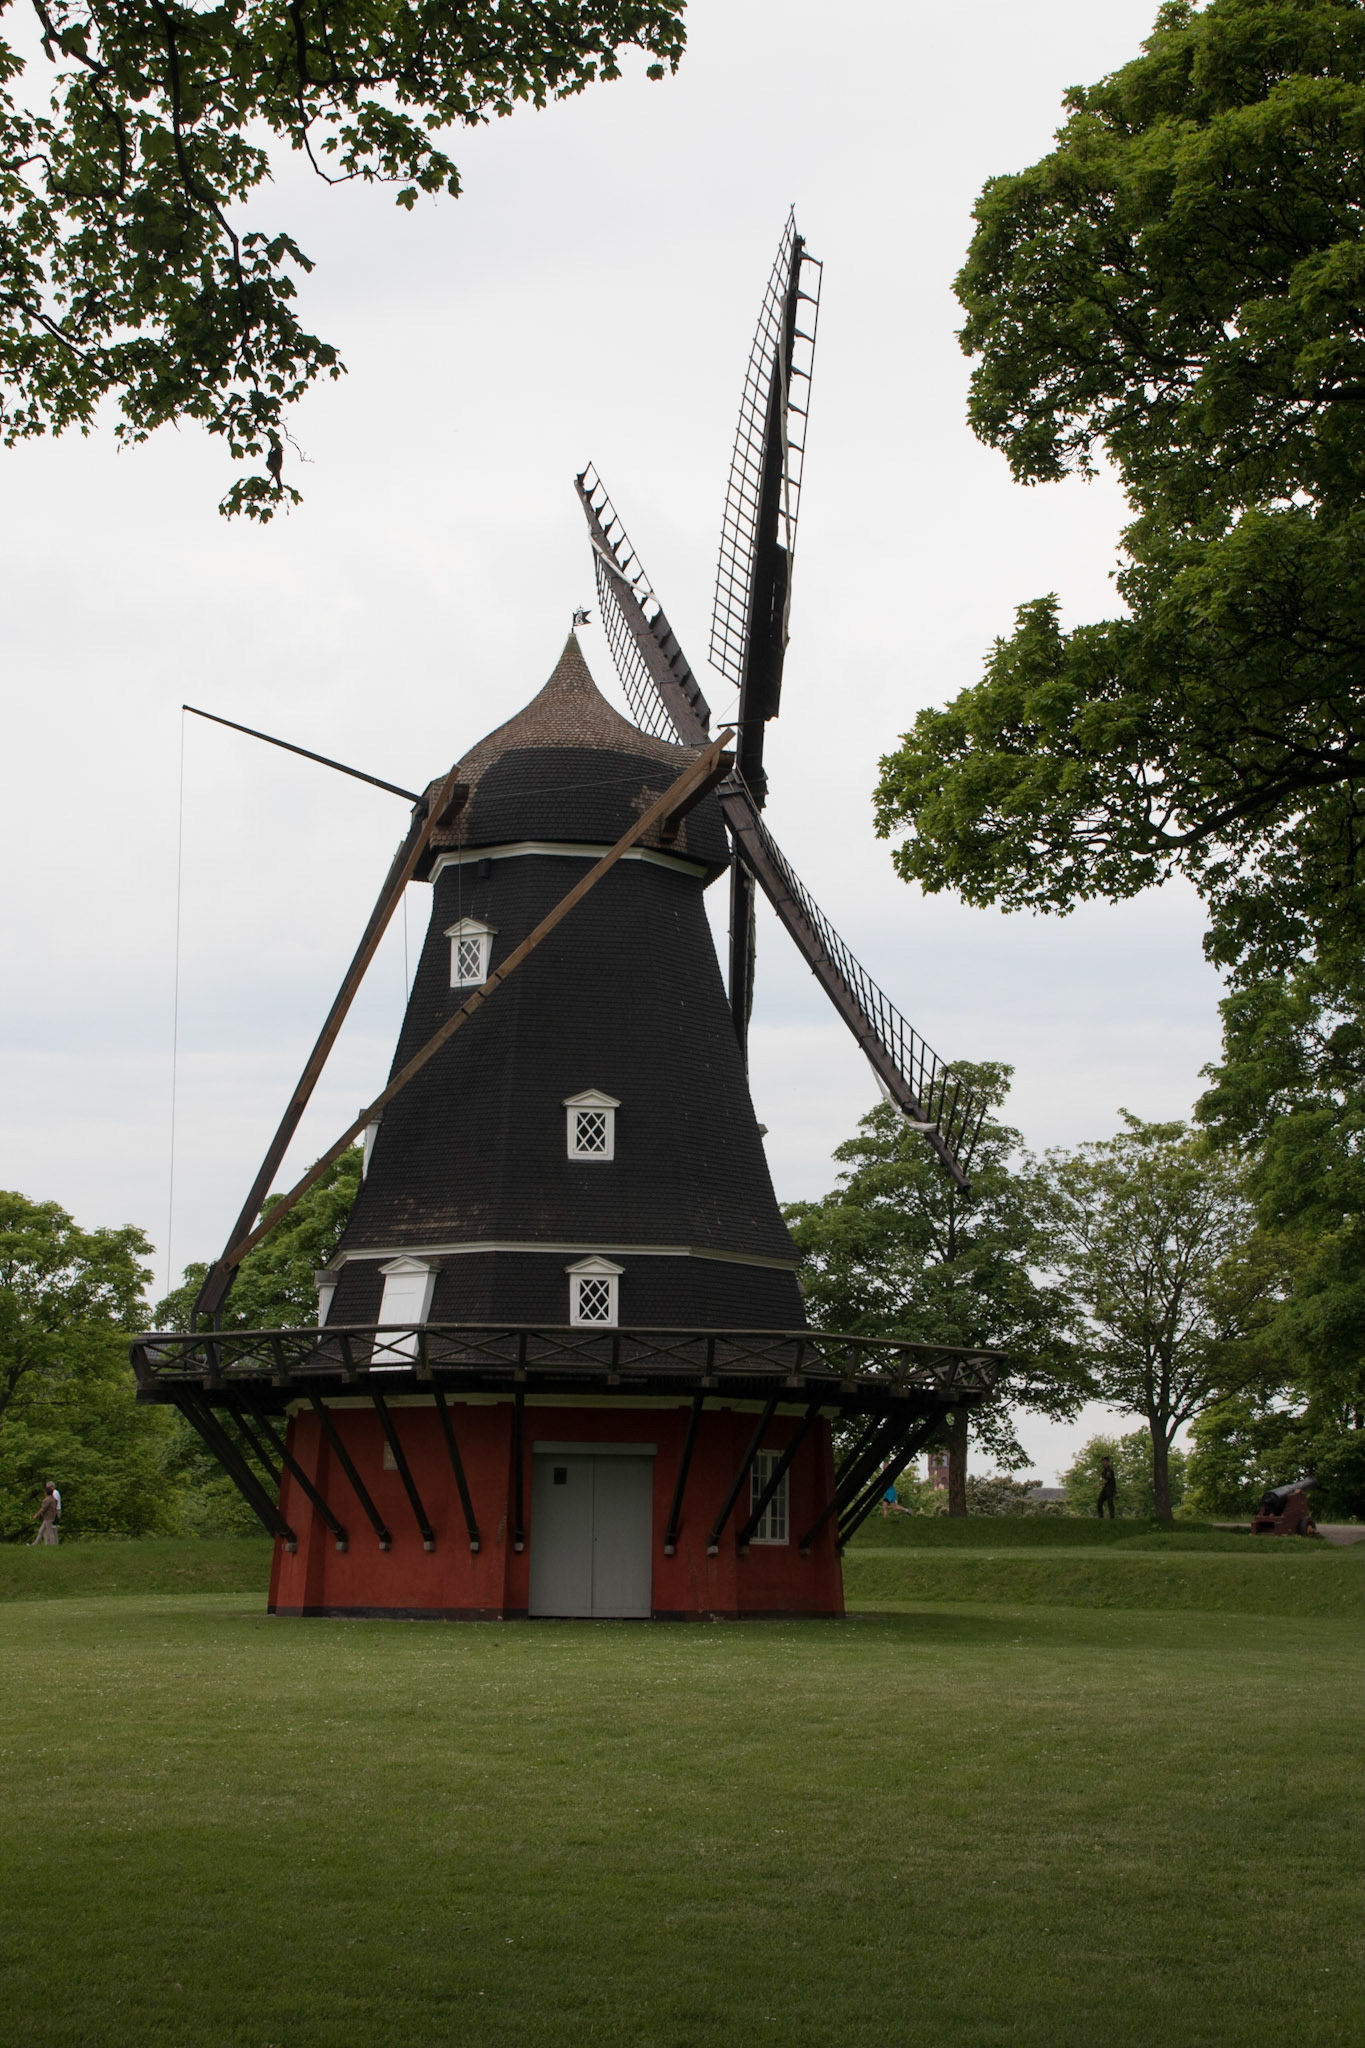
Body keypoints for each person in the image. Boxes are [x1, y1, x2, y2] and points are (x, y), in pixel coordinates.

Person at [32, 1482, 60, 1546]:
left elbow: (43, 1509)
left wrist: (36, 1515)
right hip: (51, 1517)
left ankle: (53, 1545)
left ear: (46, 1493)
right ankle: (34, 1544)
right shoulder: (53, 1499)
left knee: (50, 1532)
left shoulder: (47, 1500)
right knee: (41, 1531)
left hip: (48, 1518)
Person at [1096, 1456, 1117, 1521]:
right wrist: (1101, 1485)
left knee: (1110, 1503)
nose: (1102, 1463)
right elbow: (1103, 1480)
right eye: (1102, 1462)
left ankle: (1112, 1518)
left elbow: (1106, 1480)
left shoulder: (1109, 1470)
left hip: (1110, 1489)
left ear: (1107, 1462)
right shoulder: (1103, 1470)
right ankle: (1101, 1517)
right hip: (1105, 1489)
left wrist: (1098, 1485)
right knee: (1099, 1503)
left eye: (1104, 1462)